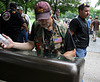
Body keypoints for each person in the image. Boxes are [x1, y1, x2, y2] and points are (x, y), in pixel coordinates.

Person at [0, 1, 76, 58]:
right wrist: (13, 44)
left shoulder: (62, 29)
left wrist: (58, 60)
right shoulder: (36, 25)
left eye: (45, 18)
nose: (43, 22)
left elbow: (72, 51)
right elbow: (30, 44)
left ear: (51, 13)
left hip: (57, 68)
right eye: (40, 19)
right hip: (41, 65)